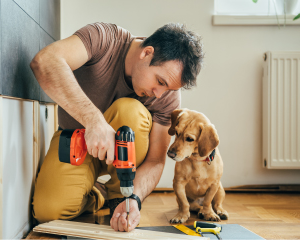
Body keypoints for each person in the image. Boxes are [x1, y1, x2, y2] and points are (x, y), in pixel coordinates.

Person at [30, 22, 204, 232]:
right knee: (49, 212)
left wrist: (135, 198)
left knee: (130, 110)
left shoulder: (167, 96)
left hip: (124, 165)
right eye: (159, 81)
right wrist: (94, 121)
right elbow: (45, 61)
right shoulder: (103, 39)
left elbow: (156, 160)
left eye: (167, 88)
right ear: (147, 53)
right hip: (76, 139)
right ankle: (97, 194)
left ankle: (118, 196)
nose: (159, 94)